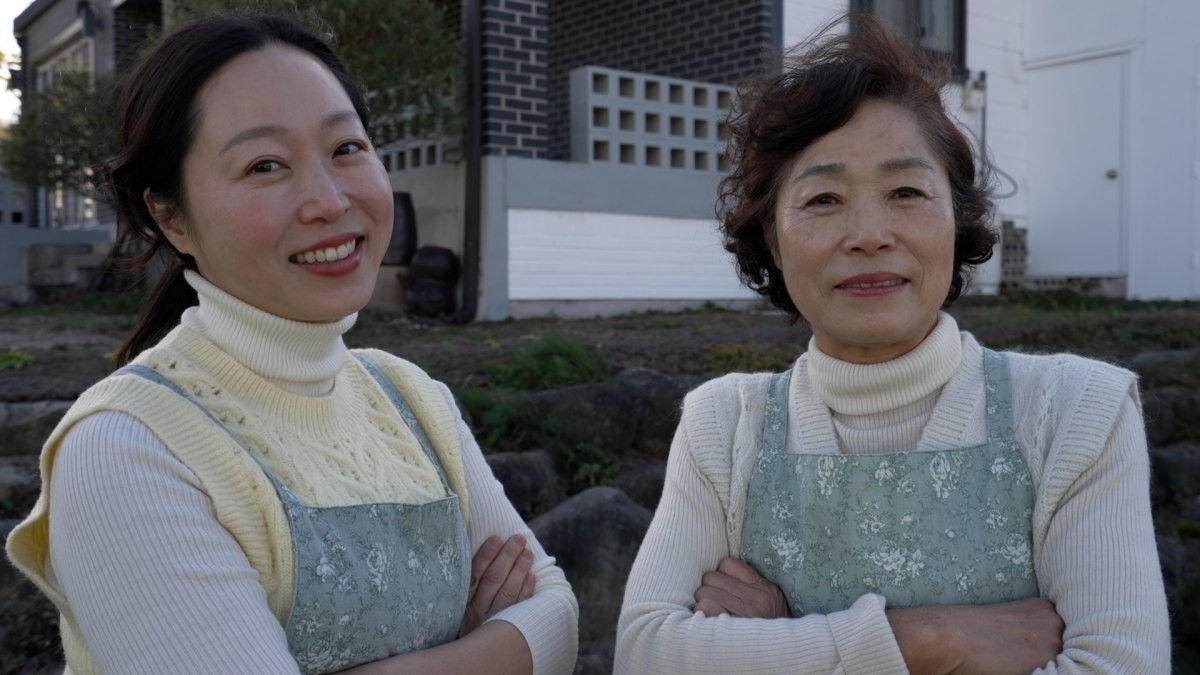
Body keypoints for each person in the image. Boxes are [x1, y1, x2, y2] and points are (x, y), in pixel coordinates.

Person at [6, 15, 577, 675]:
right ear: (171, 217)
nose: (329, 201)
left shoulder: (414, 400)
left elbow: (559, 615)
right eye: (265, 165)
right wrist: (488, 647)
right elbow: (534, 639)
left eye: (346, 148)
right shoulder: (128, 448)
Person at [616, 13, 1170, 674]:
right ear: (772, 240)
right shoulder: (724, 425)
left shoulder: (1075, 413)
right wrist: (924, 640)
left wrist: (778, 642)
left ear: (956, 218)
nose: (869, 235)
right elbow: (645, 654)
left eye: (906, 191)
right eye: (823, 199)